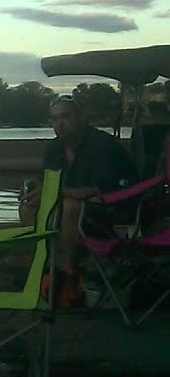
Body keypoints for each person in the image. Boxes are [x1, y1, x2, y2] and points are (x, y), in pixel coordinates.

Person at [19, 95, 134, 306]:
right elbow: (48, 180)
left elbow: (99, 189)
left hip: (111, 208)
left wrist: (56, 191)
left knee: (71, 206)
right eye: (54, 119)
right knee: (28, 207)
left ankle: (70, 272)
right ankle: (46, 264)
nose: (59, 123)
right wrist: (37, 186)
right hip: (72, 207)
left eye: (66, 117)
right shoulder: (54, 148)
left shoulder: (103, 145)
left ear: (83, 118)